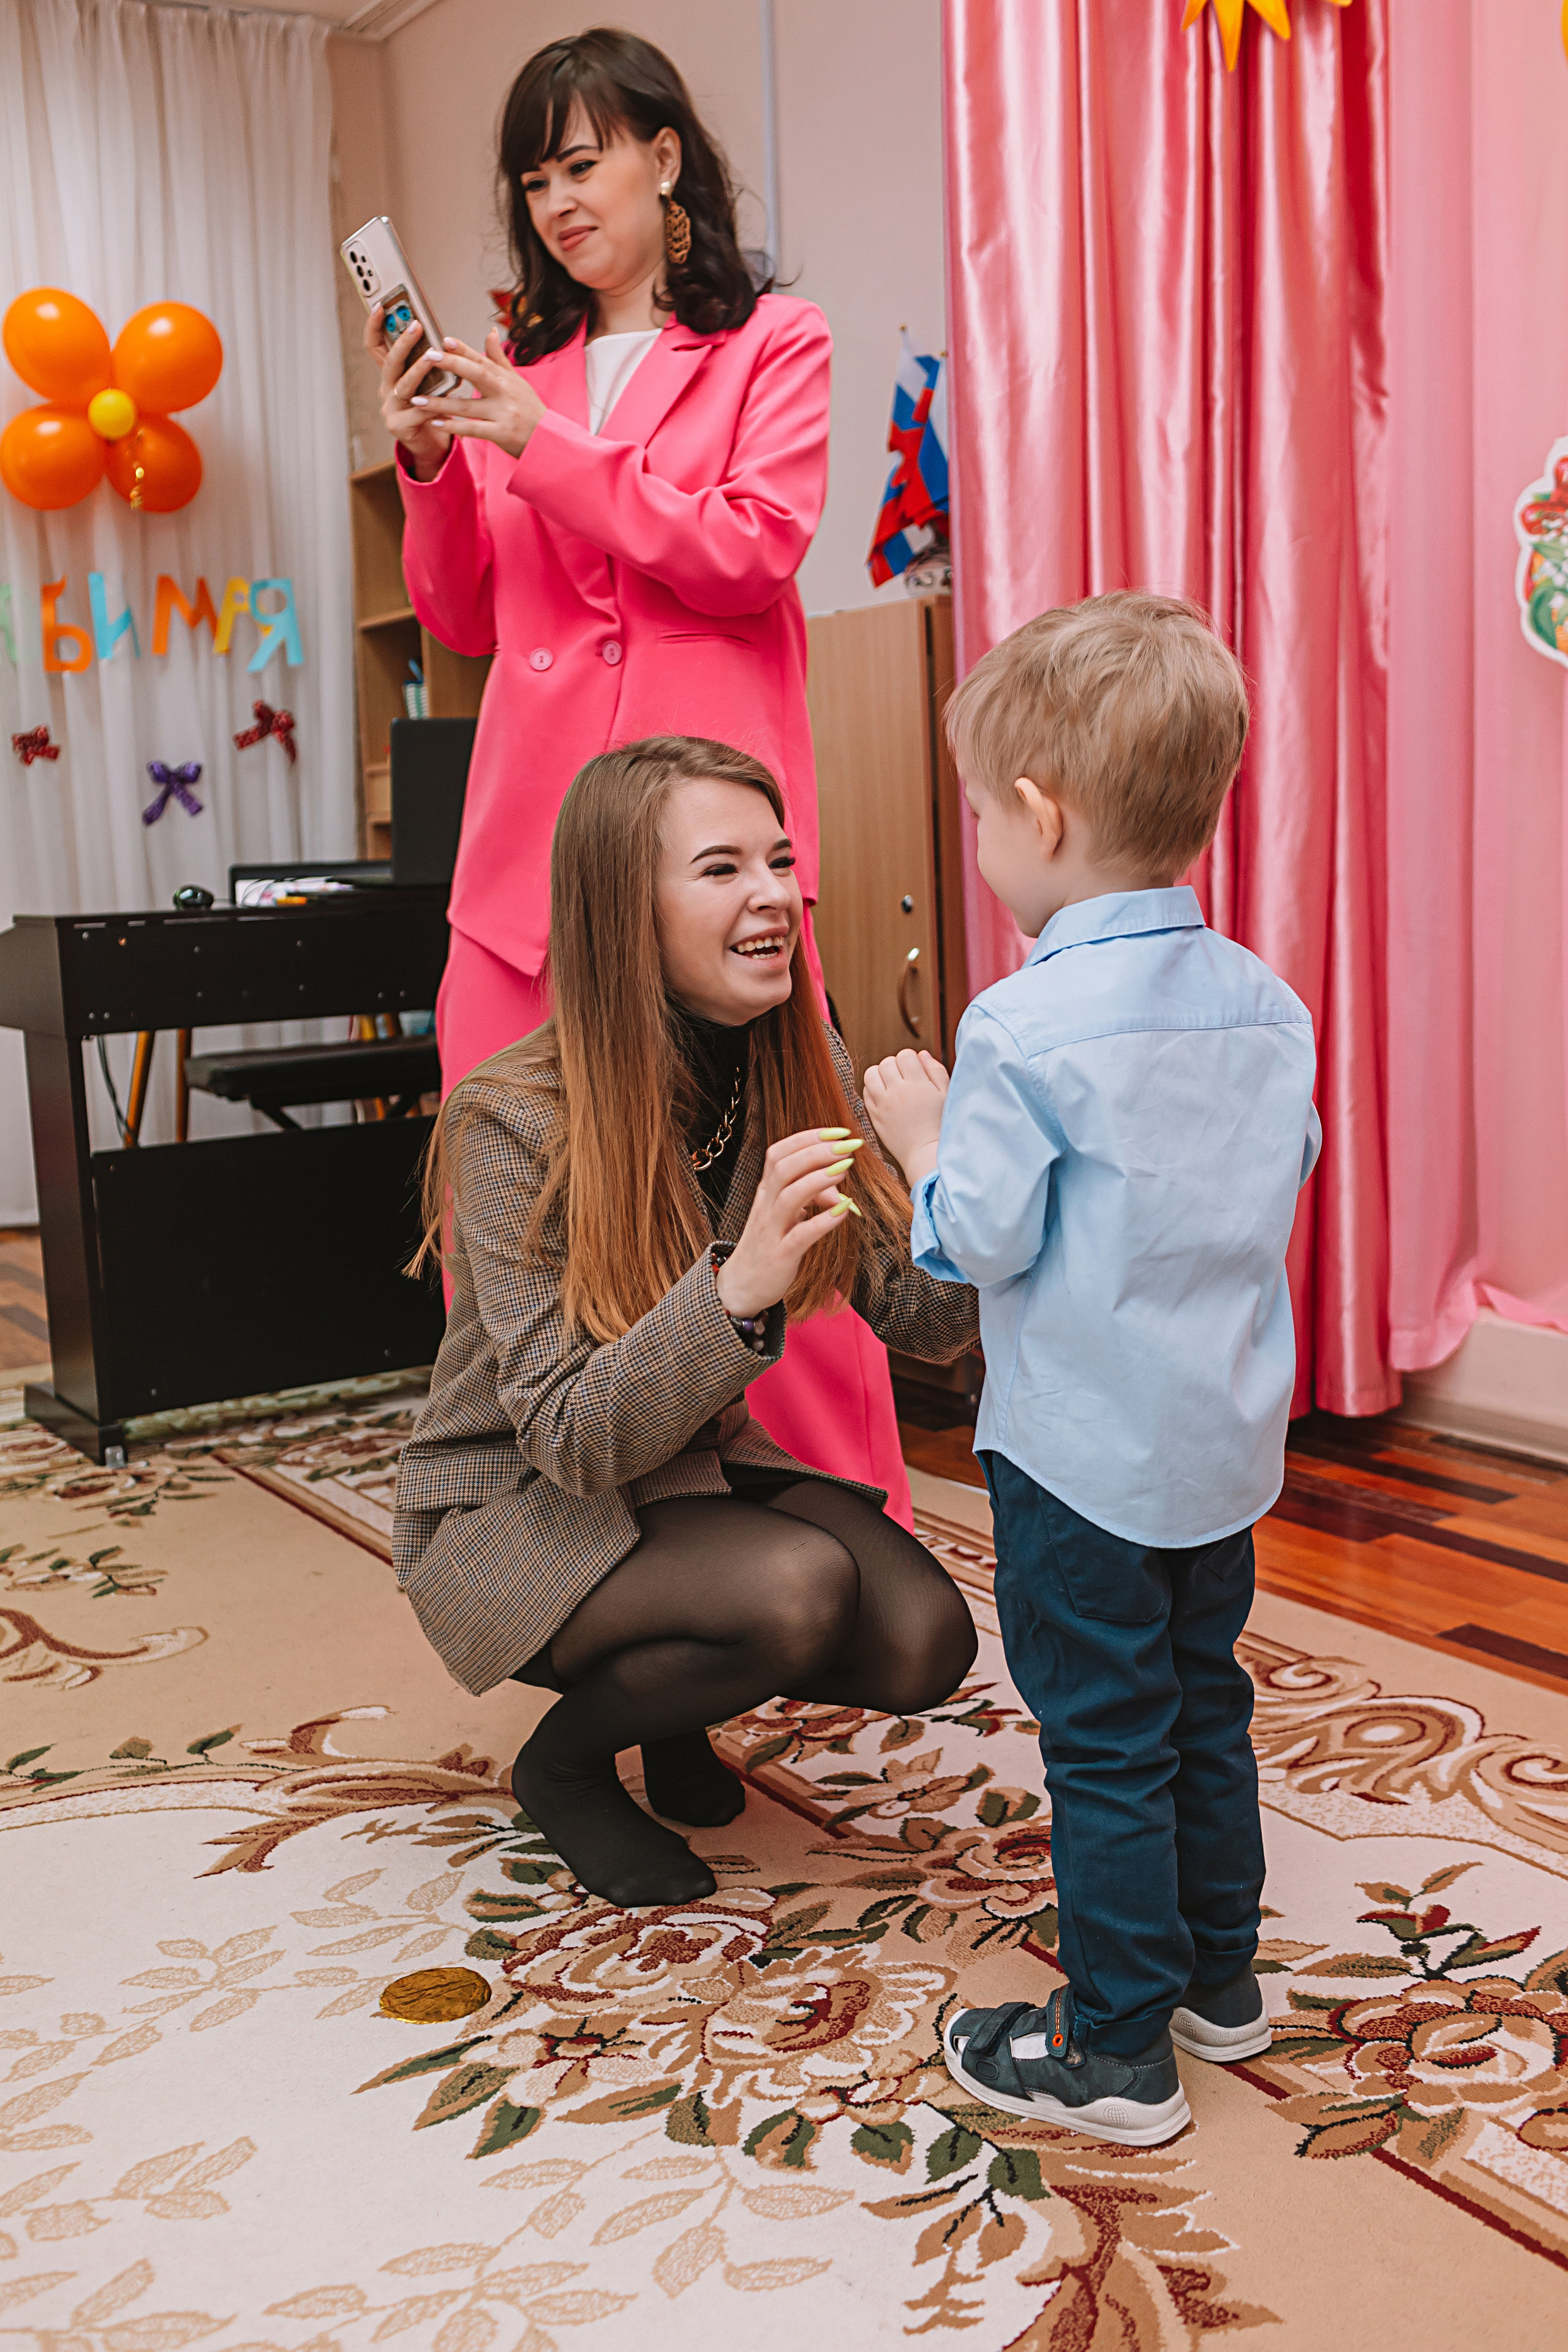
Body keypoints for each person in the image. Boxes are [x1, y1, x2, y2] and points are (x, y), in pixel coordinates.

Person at [364, 28, 915, 1518]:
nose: (555, 201)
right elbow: (463, 617)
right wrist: (431, 464)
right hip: (524, 872)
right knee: (508, 1220)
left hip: (706, 852)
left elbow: (749, 549)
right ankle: (537, 1538)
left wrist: (539, 444)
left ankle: (828, 1516)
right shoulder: (515, 377)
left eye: (580, 162)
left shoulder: (771, 343)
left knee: (776, 1196)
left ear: (663, 160)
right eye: (531, 179)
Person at [862, 594, 1322, 2148]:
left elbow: (970, 1243)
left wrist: (919, 1137)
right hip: (1218, 1447)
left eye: (980, 813)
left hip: (1076, 1466)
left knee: (1105, 1740)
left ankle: (1115, 2048)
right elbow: (1275, 1175)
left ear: (1038, 814)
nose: (981, 839)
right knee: (1202, 1703)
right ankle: (1220, 1981)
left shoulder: (1017, 1025)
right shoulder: (1266, 1004)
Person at [393, 736, 979, 1909]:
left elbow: (925, 1322)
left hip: (687, 1471)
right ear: (627, 912)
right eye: (722, 869)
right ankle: (565, 1767)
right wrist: (738, 1286)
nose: (774, 895)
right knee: (794, 1592)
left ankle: (674, 1704)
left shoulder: (800, 1055)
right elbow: (568, 1440)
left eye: (779, 861)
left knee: (926, 1639)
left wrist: (953, 1173)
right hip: (514, 1500)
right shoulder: (510, 1117)